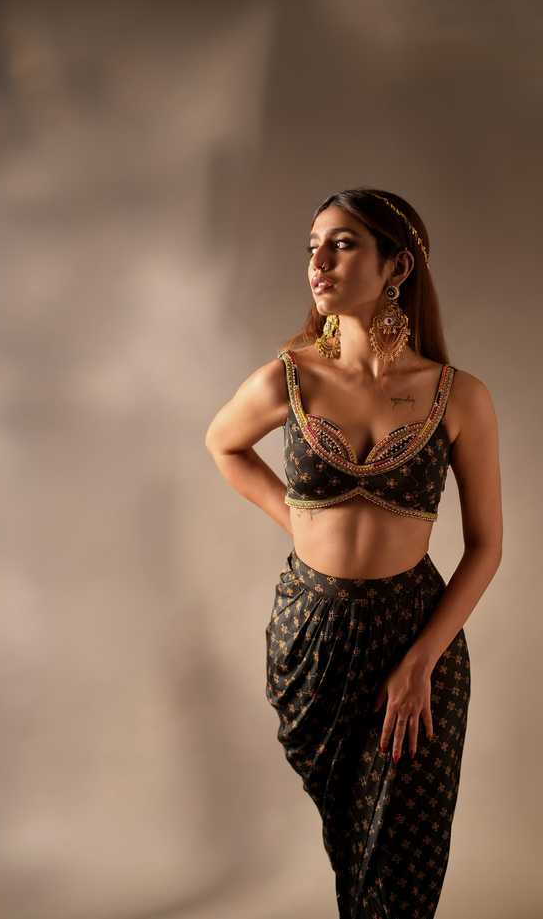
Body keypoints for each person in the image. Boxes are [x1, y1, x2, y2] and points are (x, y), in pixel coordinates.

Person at [205, 186, 503, 919]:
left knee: (401, 860)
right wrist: (299, 525)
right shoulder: (289, 377)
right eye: (313, 247)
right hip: (313, 634)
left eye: (342, 245)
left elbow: (487, 546)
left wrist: (421, 661)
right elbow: (223, 443)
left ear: (397, 266)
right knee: (352, 843)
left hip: (416, 631)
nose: (319, 263)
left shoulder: (457, 396)